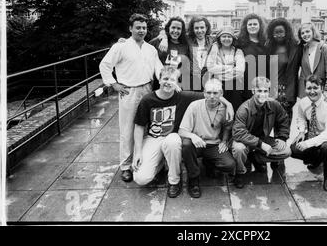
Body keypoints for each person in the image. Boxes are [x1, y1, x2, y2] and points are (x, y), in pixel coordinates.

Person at [132, 66, 234, 198]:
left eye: (172, 79)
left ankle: (174, 181)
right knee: (141, 179)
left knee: (174, 142)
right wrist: (138, 152)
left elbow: (212, 94)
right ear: (159, 79)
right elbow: (139, 127)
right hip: (154, 138)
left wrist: (229, 104)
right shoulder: (147, 100)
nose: (168, 82)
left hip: (172, 138)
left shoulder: (183, 96)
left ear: (177, 83)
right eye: (165, 79)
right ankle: (161, 163)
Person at [99, 13, 163, 183]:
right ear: (131, 28)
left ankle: (145, 160)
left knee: (149, 127)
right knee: (127, 129)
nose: (141, 30)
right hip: (129, 91)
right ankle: (126, 166)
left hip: (148, 90)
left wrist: (166, 79)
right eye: (138, 27)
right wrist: (114, 84)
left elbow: (158, 68)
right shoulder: (120, 47)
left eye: (144, 28)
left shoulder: (151, 49)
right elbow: (105, 65)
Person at [179, 79, 236, 198]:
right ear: (204, 93)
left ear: (221, 94)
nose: (211, 96)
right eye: (208, 93)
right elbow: (182, 130)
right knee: (186, 145)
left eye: (215, 93)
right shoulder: (194, 105)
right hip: (196, 143)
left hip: (213, 144)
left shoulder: (225, 109)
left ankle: (208, 162)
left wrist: (224, 140)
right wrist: (193, 136)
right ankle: (193, 180)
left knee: (229, 165)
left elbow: (227, 127)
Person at [290, 74, 327, 192]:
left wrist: (307, 143)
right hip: (315, 133)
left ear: (321, 88)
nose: (312, 91)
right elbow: (300, 118)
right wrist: (301, 131)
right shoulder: (303, 103)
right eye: (309, 88)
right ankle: (317, 160)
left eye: (315, 88)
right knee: (294, 149)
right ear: (305, 89)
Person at [231, 77, 291, 189]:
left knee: (286, 151)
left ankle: (255, 158)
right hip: (244, 141)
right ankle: (239, 173)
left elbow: (283, 120)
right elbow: (238, 133)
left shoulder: (274, 104)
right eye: (259, 91)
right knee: (239, 149)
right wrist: (261, 144)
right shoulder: (244, 109)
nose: (262, 94)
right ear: (253, 91)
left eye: (265, 91)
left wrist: (282, 137)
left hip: (263, 138)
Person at [159, 16, 214, 91]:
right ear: (192, 29)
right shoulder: (188, 39)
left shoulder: (212, 40)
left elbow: (227, 36)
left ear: (206, 28)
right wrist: (164, 37)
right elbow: (169, 32)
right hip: (191, 78)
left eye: (202, 27)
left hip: (207, 77)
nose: (199, 30)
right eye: (196, 28)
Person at [265, 18, 303, 123]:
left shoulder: (295, 48)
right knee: (269, 124)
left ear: (286, 32)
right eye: (275, 32)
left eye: (281, 32)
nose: (278, 35)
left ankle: (282, 139)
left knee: (284, 125)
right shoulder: (268, 48)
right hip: (271, 91)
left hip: (288, 92)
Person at [206, 26, 245, 111]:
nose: (226, 39)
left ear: (233, 38)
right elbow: (210, 67)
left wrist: (219, 74)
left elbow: (240, 72)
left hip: (235, 88)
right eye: (224, 36)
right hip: (218, 87)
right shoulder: (215, 50)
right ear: (219, 38)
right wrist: (230, 68)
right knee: (218, 111)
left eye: (229, 36)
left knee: (234, 110)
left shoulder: (238, 51)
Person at [297, 22, 327, 100]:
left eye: (307, 31)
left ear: (313, 32)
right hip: (305, 93)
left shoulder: (326, 49)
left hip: (321, 92)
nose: (305, 34)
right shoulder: (302, 50)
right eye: (302, 33)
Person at [236, 13, 268, 102]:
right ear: (245, 27)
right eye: (250, 24)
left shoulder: (266, 43)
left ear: (260, 26)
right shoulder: (239, 43)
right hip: (245, 83)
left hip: (262, 83)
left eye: (255, 24)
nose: (252, 26)